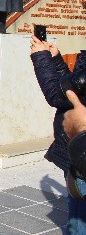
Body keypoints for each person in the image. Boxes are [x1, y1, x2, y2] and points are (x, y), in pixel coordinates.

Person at [31, 38, 86, 233]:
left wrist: (40, 57)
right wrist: (56, 61)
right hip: (78, 152)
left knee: (79, 225)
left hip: (83, 158)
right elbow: (75, 89)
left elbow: (57, 95)